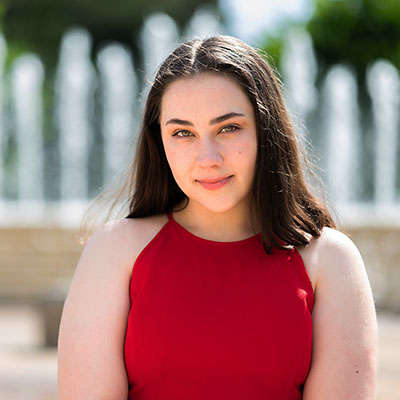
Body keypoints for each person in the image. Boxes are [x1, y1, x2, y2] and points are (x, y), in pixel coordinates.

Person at [57, 35, 377, 399]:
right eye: (182, 133)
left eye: (228, 128)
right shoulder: (114, 252)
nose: (207, 157)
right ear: (159, 142)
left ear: (266, 132)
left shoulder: (330, 260)